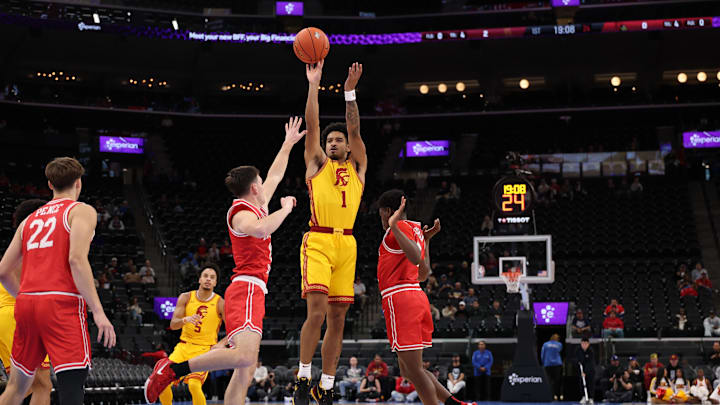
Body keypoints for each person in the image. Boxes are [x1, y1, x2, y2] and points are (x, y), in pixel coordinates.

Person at [144, 117, 305, 404]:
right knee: (243, 357)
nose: (263, 183)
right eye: (259, 181)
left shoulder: (256, 202)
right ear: (254, 187)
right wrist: (286, 209)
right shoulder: (242, 214)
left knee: (247, 365)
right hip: (246, 289)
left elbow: (276, 175)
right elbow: (262, 228)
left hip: (255, 290)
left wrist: (288, 143)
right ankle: (172, 369)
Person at [0, 157, 116, 405]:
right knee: (71, 388)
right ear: (78, 183)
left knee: (16, 389)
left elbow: (2, 272)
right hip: (61, 304)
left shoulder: (28, 221)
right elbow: (76, 259)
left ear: (50, 184)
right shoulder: (81, 210)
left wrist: (23, 296)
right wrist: (98, 311)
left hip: (27, 304)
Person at [295, 61, 368, 405]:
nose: (334, 142)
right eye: (330, 140)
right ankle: (302, 377)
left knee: (338, 319)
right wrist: (314, 84)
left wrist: (349, 92)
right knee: (318, 312)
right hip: (319, 239)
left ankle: (325, 384)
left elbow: (355, 128)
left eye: (339, 140)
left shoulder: (358, 167)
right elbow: (312, 125)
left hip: (348, 243)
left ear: (349, 146)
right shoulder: (317, 163)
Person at [375, 190, 471, 405]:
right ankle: (453, 403)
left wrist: (393, 226)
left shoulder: (397, 229)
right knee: (409, 370)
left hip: (400, 298)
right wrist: (427, 241)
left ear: (389, 211)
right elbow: (423, 272)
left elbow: (413, 256)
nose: (381, 218)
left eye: (381, 214)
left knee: (415, 371)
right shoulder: (417, 230)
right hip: (415, 295)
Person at [0, 199, 53, 405]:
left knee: (30, 387)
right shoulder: (35, 244)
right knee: (38, 386)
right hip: (16, 316)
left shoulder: (19, 244)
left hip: (7, 317)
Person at [157, 265, 225, 405]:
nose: (208, 279)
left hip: (204, 350)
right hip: (183, 347)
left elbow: (234, 329)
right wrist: (184, 320)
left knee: (194, 385)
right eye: (205, 276)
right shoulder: (186, 297)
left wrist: (221, 343)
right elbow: (173, 325)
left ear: (215, 283)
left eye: (212, 278)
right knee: (163, 382)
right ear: (199, 279)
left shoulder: (220, 302)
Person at [541, 334, 563, 400]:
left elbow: (542, 355)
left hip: (547, 364)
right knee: (557, 381)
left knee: (548, 381)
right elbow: (560, 352)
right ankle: (558, 395)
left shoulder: (545, 344)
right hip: (557, 365)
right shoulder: (559, 344)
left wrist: (543, 363)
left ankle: (549, 396)